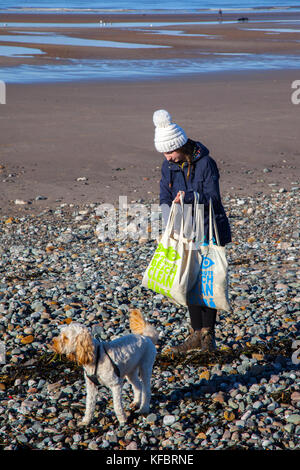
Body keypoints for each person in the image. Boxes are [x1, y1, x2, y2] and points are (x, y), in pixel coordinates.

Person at [153, 109, 231, 354]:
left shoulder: (206, 163)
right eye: (164, 153)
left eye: (170, 152)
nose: (167, 157)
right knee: (188, 282)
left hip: (209, 229)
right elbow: (164, 196)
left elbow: (213, 199)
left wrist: (189, 197)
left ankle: (208, 337)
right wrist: (168, 227)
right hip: (184, 231)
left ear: (180, 145)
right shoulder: (169, 167)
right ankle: (195, 335)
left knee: (207, 284)